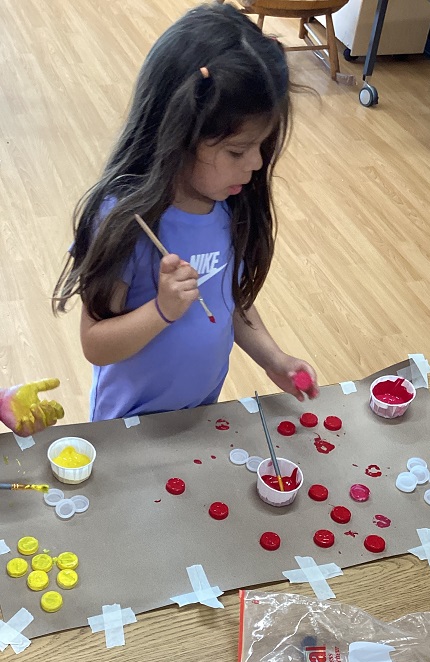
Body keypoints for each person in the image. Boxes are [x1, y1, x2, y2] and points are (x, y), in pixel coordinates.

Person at [53, 2, 318, 421]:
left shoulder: (230, 205)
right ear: (178, 134)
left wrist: (274, 359)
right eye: (237, 150)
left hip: (198, 417)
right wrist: (161, 310)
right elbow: (95, 344)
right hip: (129, 427)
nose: (255, 164)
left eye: (261, 148)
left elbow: (227, 298)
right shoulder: (122, 220)